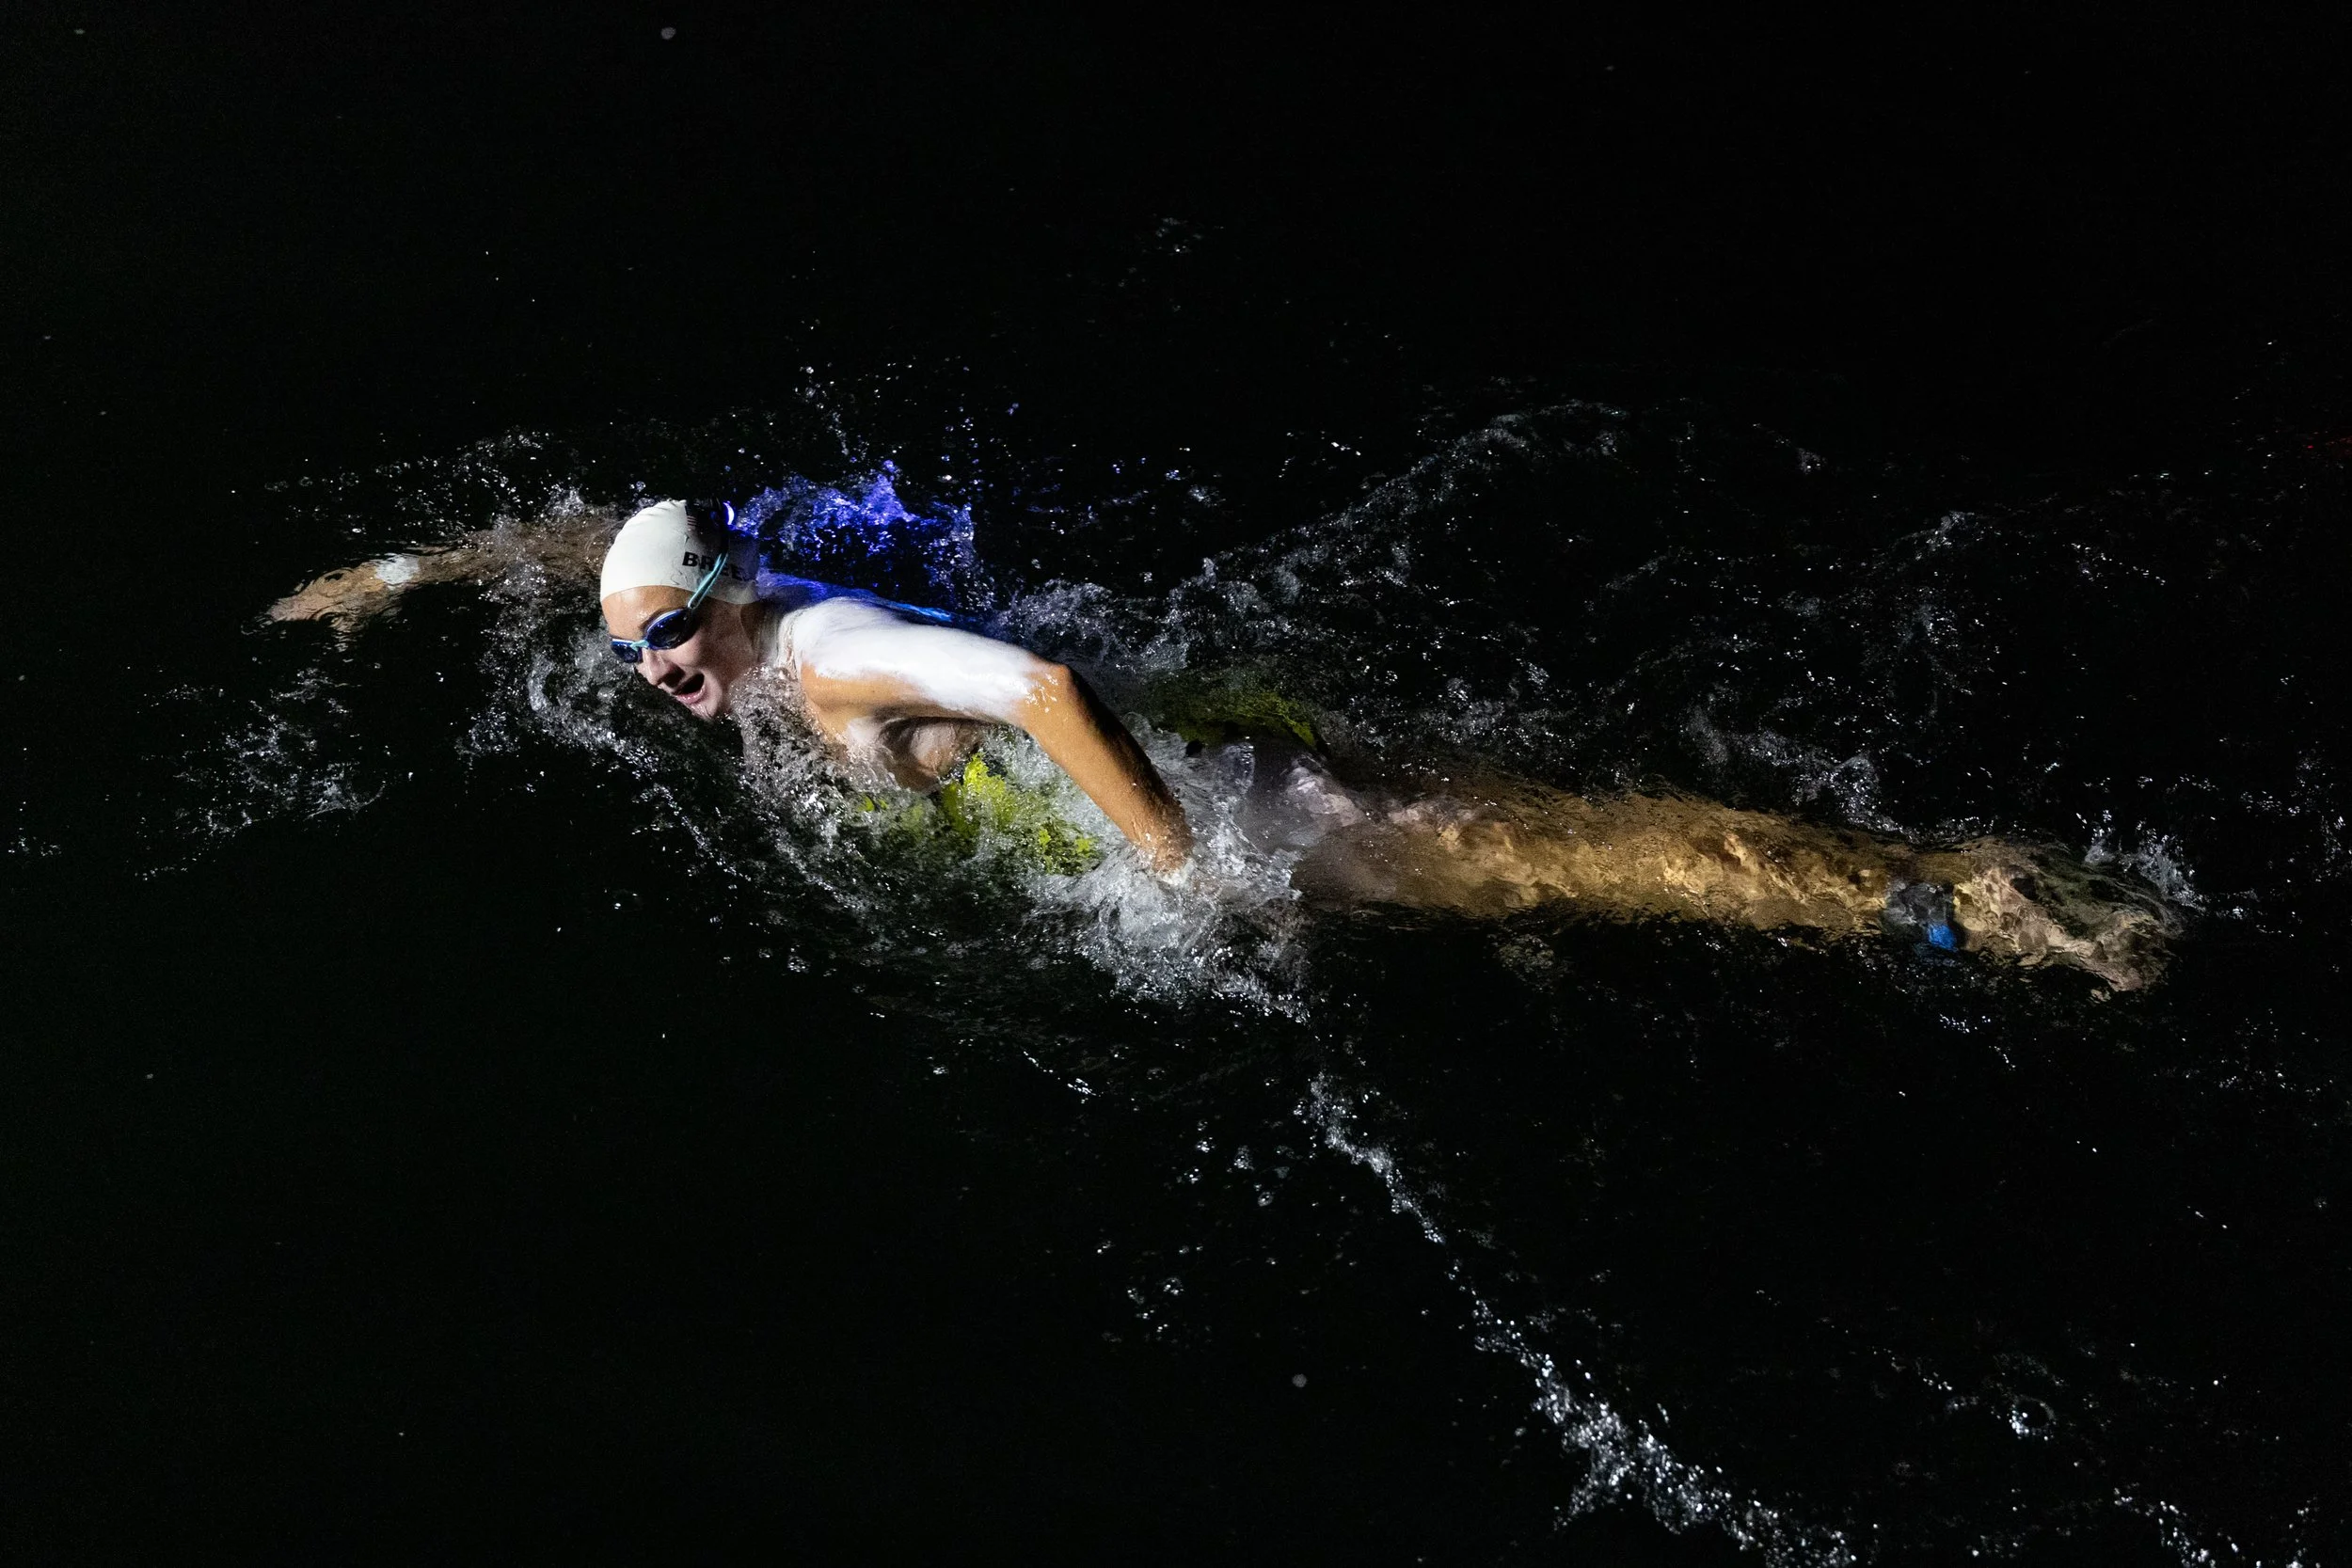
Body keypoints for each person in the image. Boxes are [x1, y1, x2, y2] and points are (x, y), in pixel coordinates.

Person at [272, 500, 2175, 988]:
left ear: (737, 609)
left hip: (1259, 812)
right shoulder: (722, 618)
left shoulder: (829, 653)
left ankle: (1965, 903)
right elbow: (582, 551)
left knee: (1567, 856)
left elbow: (1037, 694)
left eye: (672, 640)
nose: (653, 675)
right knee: (1543, 817)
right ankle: (1922, 876)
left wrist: (1178, 877)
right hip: (1237, 737)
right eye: (630, 655)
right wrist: (401, 569)